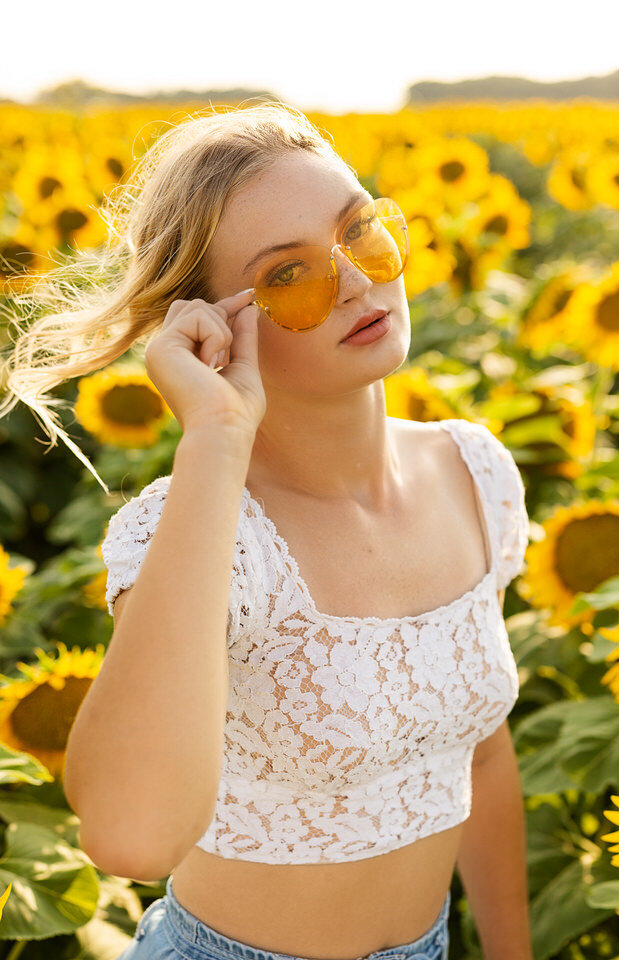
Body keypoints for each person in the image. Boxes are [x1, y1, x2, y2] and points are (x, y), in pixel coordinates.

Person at [2, 101, 532, 960]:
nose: (357, 280)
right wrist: (214, 437)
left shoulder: (473, 473)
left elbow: (476, 755)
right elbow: (131, 839)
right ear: (212, 329)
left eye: (360, 230)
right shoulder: (204, 535)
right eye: (288, 276)